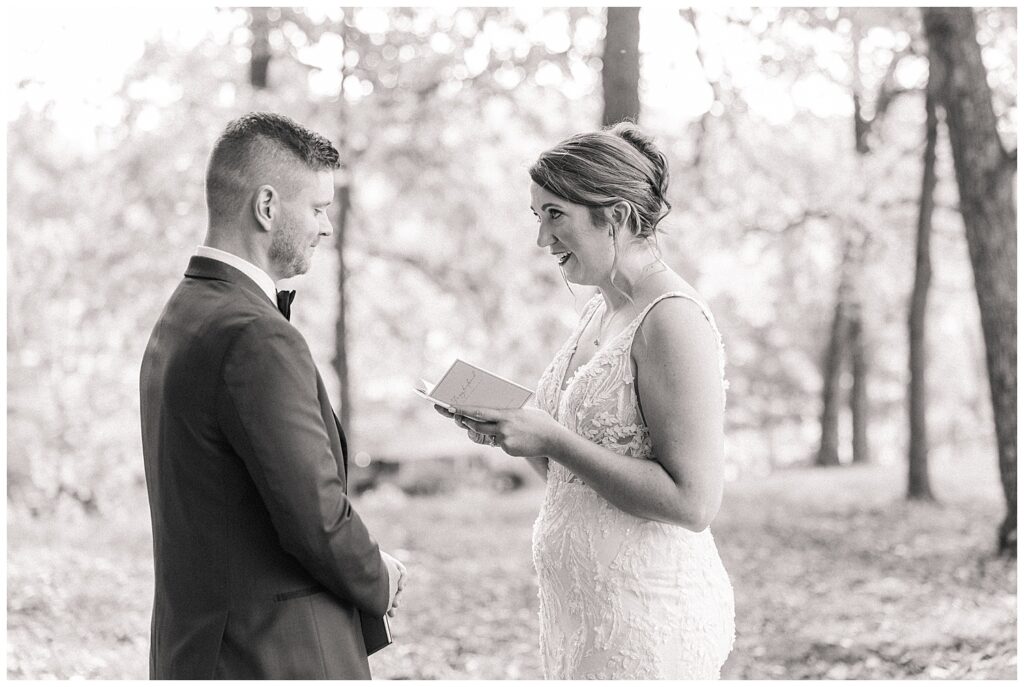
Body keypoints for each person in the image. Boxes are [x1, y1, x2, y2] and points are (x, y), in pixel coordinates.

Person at [438, 123, 735, 678]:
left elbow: (693, 503)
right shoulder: (601, 309)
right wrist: (513, 432)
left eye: (556, 215)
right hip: (581, 622)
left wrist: (550, 436)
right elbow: (571, 472)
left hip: (648, 620)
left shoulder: (671, 319)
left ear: (616, 216)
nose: (542, 240)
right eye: (538, 216)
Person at [140, 112, 406, 679]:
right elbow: (315, 515)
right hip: (270, 655)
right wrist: (379, 577)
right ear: (266, 207)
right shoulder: (255, 335)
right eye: (316, 208)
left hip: (198, 648)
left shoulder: (182, 313)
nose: (326, 227)